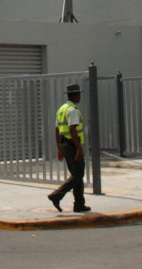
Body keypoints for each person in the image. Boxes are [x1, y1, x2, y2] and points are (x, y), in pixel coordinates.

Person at [47, 83, 91, 213]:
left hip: (64, 144)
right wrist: (79, 149)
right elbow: (72, 130)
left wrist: (59, 148)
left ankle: (79, 204)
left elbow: (57, 130)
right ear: (76, 95)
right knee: (78, 175)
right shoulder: (73, 110)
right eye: (79, 95)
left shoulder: (61, 109)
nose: (80, 97)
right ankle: (56, 195)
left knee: (76, 175)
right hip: (72, 145)